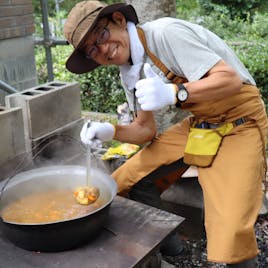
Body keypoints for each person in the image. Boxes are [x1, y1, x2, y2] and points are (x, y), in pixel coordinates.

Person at [63, 1, 268, 267]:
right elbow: (145, 130)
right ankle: (174, 249)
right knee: (126, 181)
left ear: (118, 20)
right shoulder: (130, 72)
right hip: (202, 121)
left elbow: (229, 80)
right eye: (92, 50)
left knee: (231, 229)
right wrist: (110, 131)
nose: (103, 50)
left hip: (241, 120)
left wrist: (174, 93)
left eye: (101, 35)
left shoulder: (165, 33)